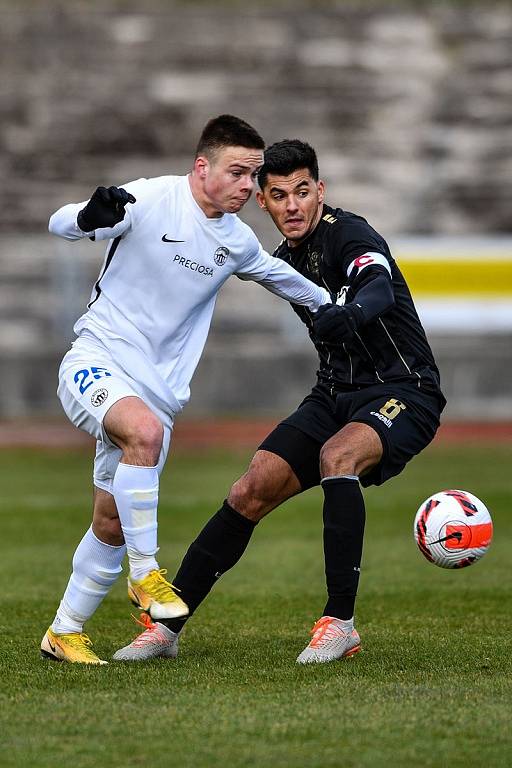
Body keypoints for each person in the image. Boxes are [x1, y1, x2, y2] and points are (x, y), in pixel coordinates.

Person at [113, 138, 447, 664]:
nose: (292, 205)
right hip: (334, 392)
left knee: (338, 458)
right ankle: (165, 627)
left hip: (405, 389)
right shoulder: (279, 260)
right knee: (250, 488)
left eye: (302, 191)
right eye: (278, 195)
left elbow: (378, 288)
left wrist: (353, 313)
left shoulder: (348, 233)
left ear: (320, 191)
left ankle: (340, 623)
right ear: (262, 202)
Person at [40, 119, 332, 665]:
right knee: (142, 435)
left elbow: (278, 276)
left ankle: (64, 631)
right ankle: (147, 574)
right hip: (98, 360)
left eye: (253, 175)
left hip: (159, 394)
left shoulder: (237, 239)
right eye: (239, 173)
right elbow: (61, 223)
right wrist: (87, 216)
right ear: (204, 167)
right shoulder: (151, 198)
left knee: (110, 519)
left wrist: (335, 304)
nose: (249, 186)